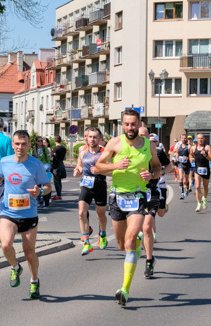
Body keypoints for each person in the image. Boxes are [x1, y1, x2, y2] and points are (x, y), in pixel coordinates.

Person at [94, 109, 161, 307]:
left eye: (133, 124)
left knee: (131, 239)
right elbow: (98, 166)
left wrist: (152, 175)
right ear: (121, 125)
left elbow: (157, 166)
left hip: (138, 197)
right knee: (122, 245)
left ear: (139, 124)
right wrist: (115, 167)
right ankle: (137, 249)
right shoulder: (115, 143)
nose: (130, 128)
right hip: (116, 197)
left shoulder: (149, 145)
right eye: (126, 124)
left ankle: (125, 289)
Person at [0, 130, 51, 299]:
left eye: (23, 144)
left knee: (29, 252)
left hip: (29, 214)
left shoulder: (36, 165)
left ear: (29, 145)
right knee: (6, 245)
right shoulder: (5, 162)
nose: (20, 147)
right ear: (12, 145)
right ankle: (15, 267)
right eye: (17, 144)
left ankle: (34, 281)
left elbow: (48, 187)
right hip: (8, 212)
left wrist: (40, 191)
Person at [141, 131, 173, 280]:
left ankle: (149, 259)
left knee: (158, 215)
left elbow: (170, 166)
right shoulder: (129, 151)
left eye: (145, 136)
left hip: (155, 189)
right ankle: (149, 260)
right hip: (135, 192)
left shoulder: (157, 151)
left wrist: (159, 174)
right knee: (144, 226)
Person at [73, 127, 108, 255]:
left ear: (100, 139)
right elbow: (79, 166)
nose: (92, 139)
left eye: (95, 137)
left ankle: (102, 234)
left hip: (100, 185)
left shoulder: (104, 153)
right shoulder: (83, 152)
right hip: (86, 184)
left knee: (101, 215)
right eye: (90, 137)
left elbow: (112, 171)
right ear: (86, 138)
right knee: (82, 212)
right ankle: (87, 243)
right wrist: (77, 171)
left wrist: (100, 171)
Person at [190, 133, 211, 213]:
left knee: (205, 186)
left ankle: (205, 199)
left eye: (201, 138)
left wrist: (206, 155)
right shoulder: (193, 148)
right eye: (198, 138)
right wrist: (191, 159)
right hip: (197, 169)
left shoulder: (207, 147)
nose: (200, 140)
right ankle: (198, 204)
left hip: (206, 169)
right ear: (196, 139)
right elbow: (191, 155)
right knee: (197, 187)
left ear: (204, 139)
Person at [31, 136, 52, 208]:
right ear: (36, 142)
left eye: (41, 141)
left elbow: (48, 159)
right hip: (36, 169)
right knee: (37, 185)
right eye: (39, 141)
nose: (40, 142)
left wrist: (48, 167)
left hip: (44, 168)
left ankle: (46, 202)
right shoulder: (34, 150)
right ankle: (38, 201)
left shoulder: (45, 149)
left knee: (45, 185)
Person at [173, 134, 191, 200]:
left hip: (187, 164)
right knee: (180, 177)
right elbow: (177, 152)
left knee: (186, 180)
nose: (184, 139)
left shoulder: (189, 146)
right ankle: (182, 193)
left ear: (186, 139)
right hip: (180, 163)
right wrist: (176, 158)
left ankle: (188, 189)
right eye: (182, 138)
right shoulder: (178, 146)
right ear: (181, 139)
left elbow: (191, 155)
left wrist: (188, 158)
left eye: (185, 138)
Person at [51, 136, 67, 200]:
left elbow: (51, 157)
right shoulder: (64, 148)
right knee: (59, 181)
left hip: (56, 165)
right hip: (61, 164)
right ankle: (59, 194)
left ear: (55, 141)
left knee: (56, 181)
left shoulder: (55, 149)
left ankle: (58, 195)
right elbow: (65, 158)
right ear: (61, 141)